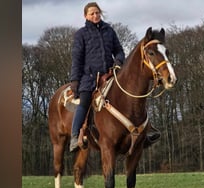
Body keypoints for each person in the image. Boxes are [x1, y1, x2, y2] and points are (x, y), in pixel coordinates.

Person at [69, 2, 160, 152]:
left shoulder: (109, 30)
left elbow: (118, 50)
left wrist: (118, 61)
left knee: (133, 97)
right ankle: (74, 136)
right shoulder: (81, 34)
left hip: (111, 74)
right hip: (89, 78)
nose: (95, 15)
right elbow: (77, 59)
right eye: (91, 13)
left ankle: (145, 133)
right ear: (86, 16)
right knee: (84, 101)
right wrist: (75, 80)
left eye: (97, 12)